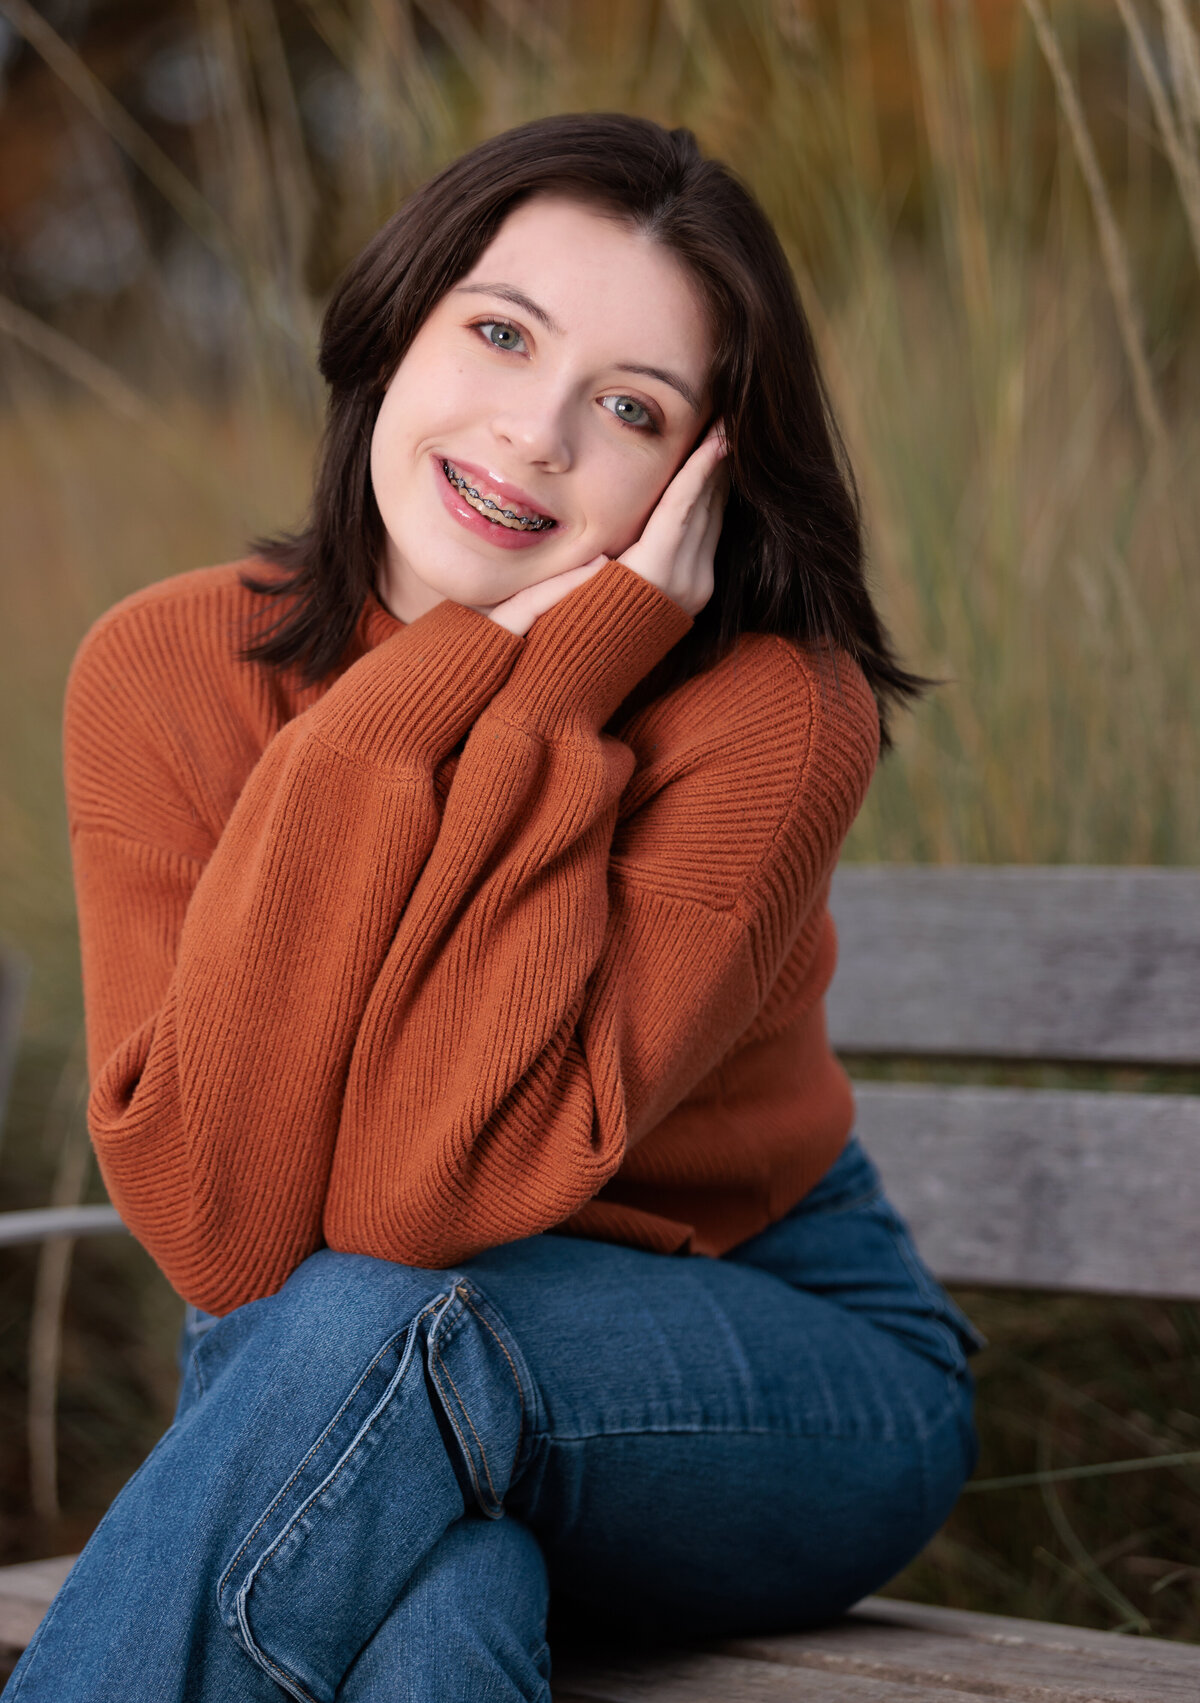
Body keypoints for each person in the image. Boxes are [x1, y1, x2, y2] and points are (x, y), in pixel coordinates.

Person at [7, 114, 981, 1703]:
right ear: (400, 324)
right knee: (436, 1615)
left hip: (777, 1366)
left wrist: (551, 697)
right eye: (502, 332)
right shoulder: (167, 667)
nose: (536, 434)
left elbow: (411, 1206)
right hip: (353, 1382)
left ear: (702, 475)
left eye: (631, 406)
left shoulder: (771, 714)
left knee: (391, 1314)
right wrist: (421, 700)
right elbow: (222, 1230)